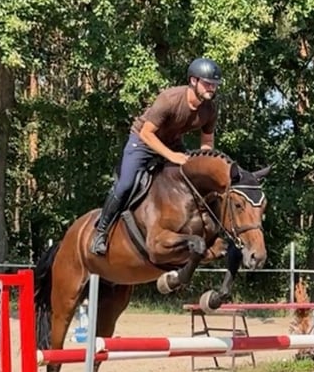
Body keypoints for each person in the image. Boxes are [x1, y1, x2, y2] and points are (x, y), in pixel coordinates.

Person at [90, 57, 223, 255]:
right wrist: (173, 156)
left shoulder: (209, 109)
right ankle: (101, 232)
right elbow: (146, 133)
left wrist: (204, 168)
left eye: (214, 85)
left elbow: (207, 143)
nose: (211, 88)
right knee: (126, 184)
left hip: (173, 143)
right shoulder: (170, 99)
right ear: (193, 81)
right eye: (207, 84)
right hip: (142, 142)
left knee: (193, 179)